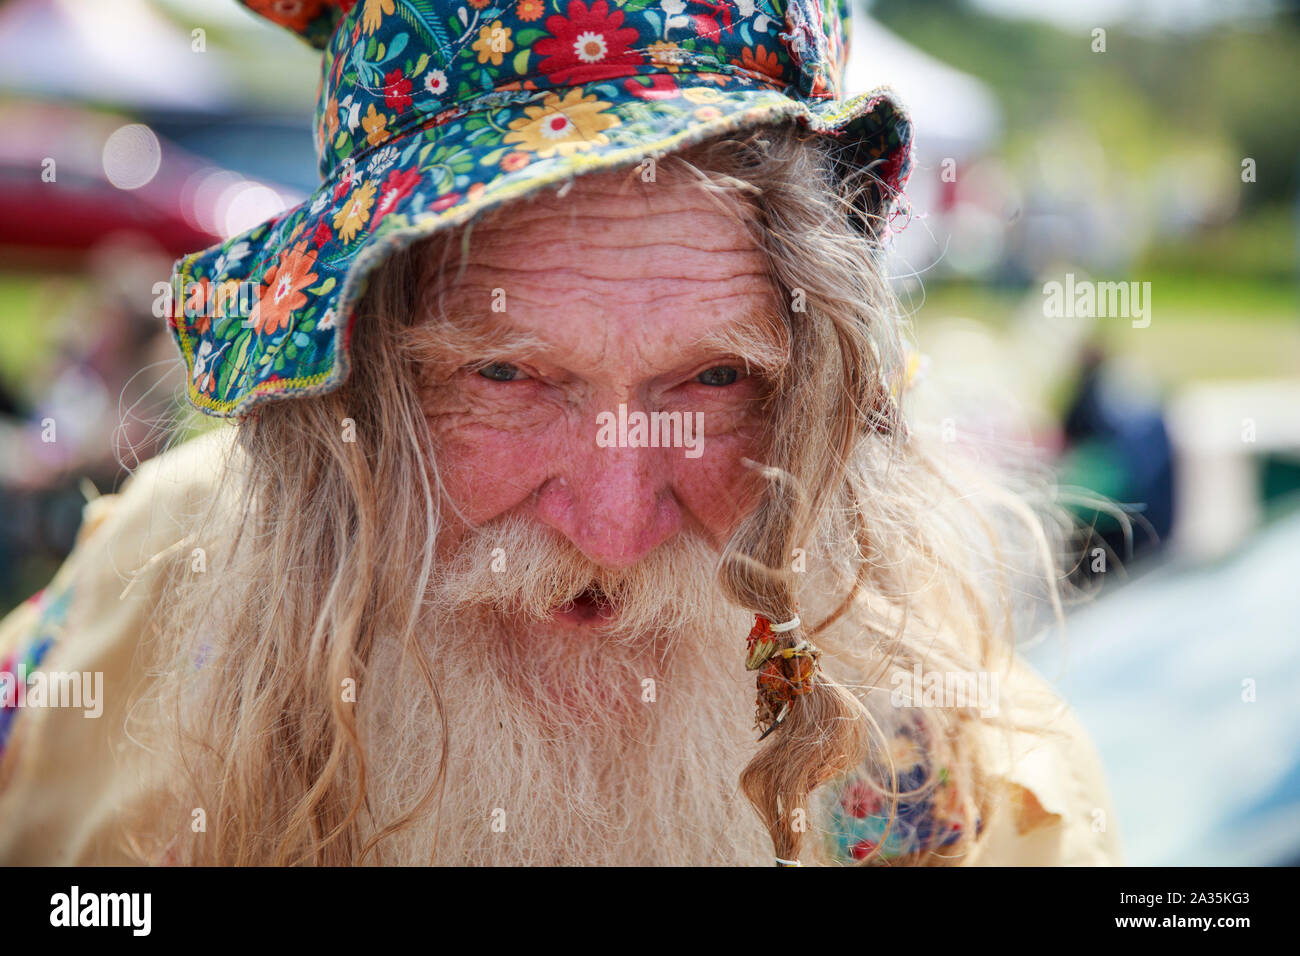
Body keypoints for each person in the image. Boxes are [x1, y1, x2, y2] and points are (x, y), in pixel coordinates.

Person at [0, 0, 1120, 866]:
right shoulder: (160, 584)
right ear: (345, 393)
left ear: (822, 391)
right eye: (504, 373)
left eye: (718, 376)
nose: (616, 528)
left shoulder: (970, 785)